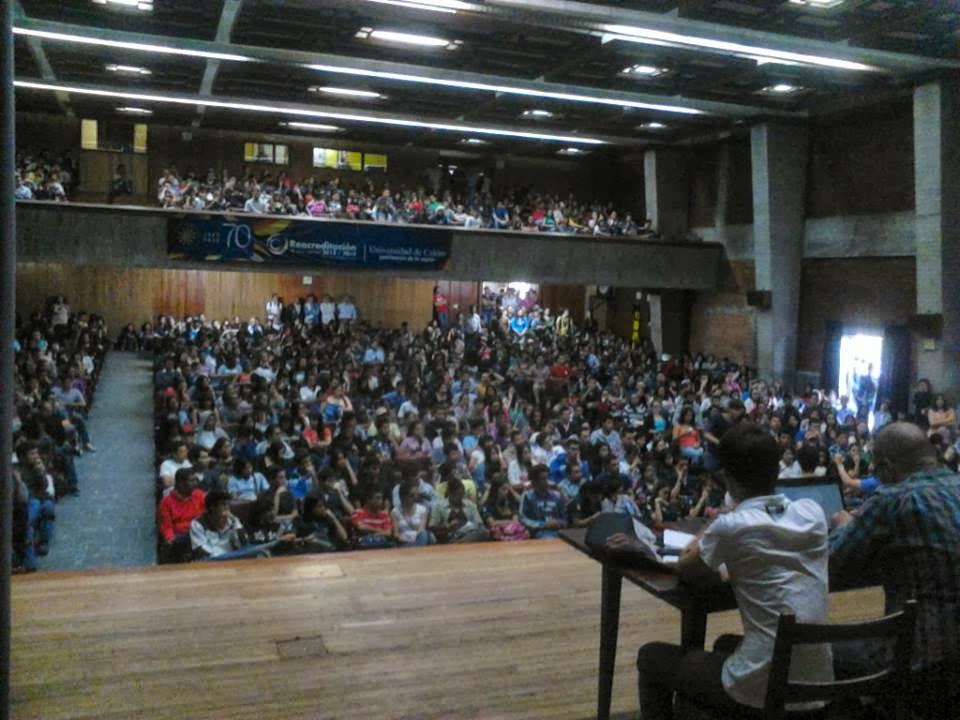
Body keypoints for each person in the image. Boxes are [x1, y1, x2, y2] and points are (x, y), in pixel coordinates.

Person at [618, 423, 831, 719]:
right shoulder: (812, 512)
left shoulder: (731, 525)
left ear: (728, 479)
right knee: (723, 645)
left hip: (764, 691)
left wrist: (719, 519)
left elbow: (686, 565)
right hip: (818, 685)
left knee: (651, 657)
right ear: (776, 470)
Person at [829, 422, 960, 718]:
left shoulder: (892, 499)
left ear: (887, 467)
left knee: (815, 652)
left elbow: (831, 564)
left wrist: (845, 525)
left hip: (923, 664)